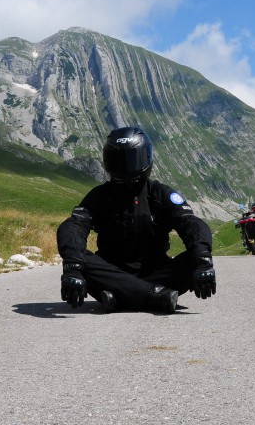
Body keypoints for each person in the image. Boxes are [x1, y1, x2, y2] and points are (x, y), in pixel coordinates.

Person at [56, 126, 217, 314]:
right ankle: (154, 296)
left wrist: (203, 260)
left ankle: (122, 299)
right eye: (119, 161)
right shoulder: (99, 196)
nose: (126, 168)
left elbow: (190, 223)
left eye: (132, 160)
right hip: (110, 273)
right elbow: (74, 226)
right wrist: (73, 266)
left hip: (155, 274)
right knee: (79, 259)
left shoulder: (160, 193)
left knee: (196, 257)